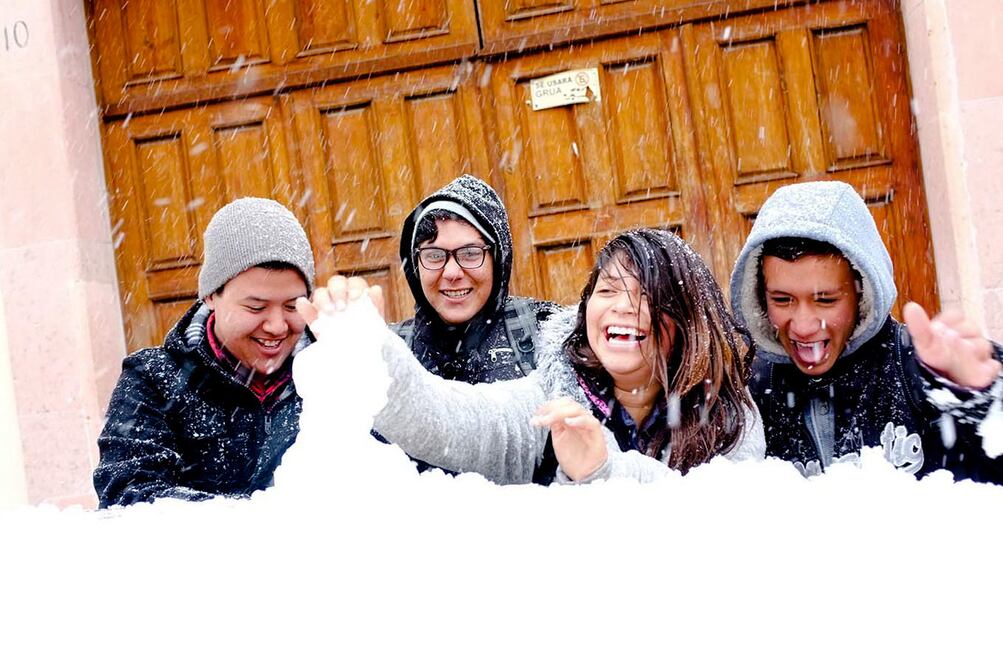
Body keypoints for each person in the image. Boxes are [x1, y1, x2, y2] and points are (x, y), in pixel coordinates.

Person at [299, 228, 765, 485]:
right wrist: (375, 355)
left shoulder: (729, 416)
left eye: (645, 294)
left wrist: (605, 471)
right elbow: (446, 419)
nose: (621, 306)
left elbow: (717, 530)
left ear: (685, 318)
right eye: (607, 290)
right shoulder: (552, 396)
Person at [729, 180, 1003, 481]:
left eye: (825, 300)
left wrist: (981, 399)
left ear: (862, 294)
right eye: (782, 300)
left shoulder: (923, 367)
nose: (804, 326)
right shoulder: (751, 393)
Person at [93, 197, 316, 507]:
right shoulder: (153, 379)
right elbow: (128, 493)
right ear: (212, 295)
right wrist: (256, 520)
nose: (277, 326)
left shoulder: (331, 372)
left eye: (293, 306)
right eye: (256, 307)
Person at [395, 173, 557, 383]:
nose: (452, 273)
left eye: (470, 253)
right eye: (434, 256)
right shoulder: (388, 352)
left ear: (497, 261)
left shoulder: (546, 333)